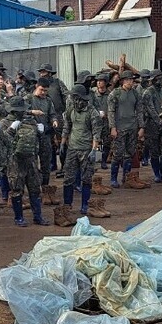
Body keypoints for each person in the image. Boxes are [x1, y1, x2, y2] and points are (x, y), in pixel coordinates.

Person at [58, 85, 102, 223]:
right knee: (68, 178)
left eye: (76, 98)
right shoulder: (71, 110)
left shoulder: (92, 112)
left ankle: (85, 205)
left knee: (86, 178)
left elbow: (96, 133)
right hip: (72, 148)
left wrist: (94, 150)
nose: (75, 101)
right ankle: (67, 204)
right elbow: (67, 127)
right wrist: (62, 143)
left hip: (86, 149)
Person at [3, 96, 48, 228]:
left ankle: (37, 216)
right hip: (15, 161)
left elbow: (37, 142)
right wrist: (10, 130)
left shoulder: (30, 121)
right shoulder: (5, 122)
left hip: (30, 160)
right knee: (17, 189)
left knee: (34, 188)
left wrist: (40, 132)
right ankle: (19, 217)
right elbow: (0, 140)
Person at [108, 71, 145, 189]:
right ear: (122, 81)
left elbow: (139, 111)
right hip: (120, 128)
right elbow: (111, 112)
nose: (130, 82)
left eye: (131, 80)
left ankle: (127, 177)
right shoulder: (115, 94)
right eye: (127, 80)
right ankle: (113, 178)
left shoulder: (135, 94)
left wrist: (141, 127)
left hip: (132, 127)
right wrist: (113, 127)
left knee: (130, 153)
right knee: (117, 154)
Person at [26, 78, 59, 187]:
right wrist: (32, 112)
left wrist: (54, 121)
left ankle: (45, 185)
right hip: (32, 134)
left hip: (45, 134)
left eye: (45, 91)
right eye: (41, 90)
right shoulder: (28, 98)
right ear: (36, 86)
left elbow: (52, 114)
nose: (43, 92)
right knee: (32, 162)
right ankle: (34, 185)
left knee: (46, 160)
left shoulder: (48, 101)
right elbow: (20, 112)